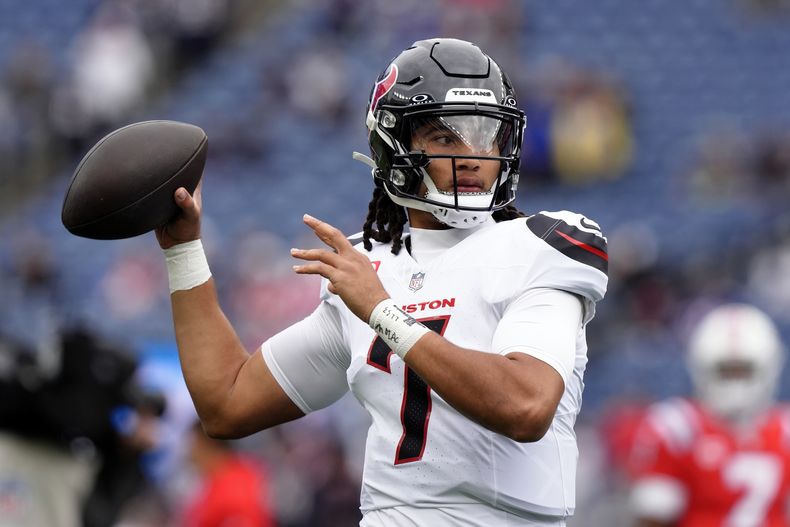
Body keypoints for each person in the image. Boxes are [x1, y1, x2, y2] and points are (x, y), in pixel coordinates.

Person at [156, 38, 608, 526]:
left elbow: (526, 405)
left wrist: (383, 312)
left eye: (486, 135)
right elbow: (227, 403)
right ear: (393, 148)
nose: (473, 156)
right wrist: (183, 250)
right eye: (445, 138)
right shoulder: (368, 266)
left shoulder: (541, 245)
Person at [628, 303, 790, 527]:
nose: (735, 384)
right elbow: (653, 515)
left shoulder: (785, 431)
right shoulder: (678, 429)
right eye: (725, 371)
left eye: (743, 371)